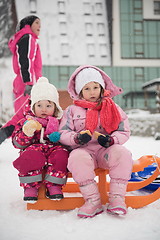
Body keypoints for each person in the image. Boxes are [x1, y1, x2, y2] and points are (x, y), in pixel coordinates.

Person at [59, 65, 133, 218]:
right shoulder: (71, 111)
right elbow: (63, 132)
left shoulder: (113, 107)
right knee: (76, 158)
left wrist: (112, 140)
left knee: (122, 154)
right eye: (86, 88)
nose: (92, 92)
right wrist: (76, 138)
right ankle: (93, 200)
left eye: (95, 87)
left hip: (106, 150)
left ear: (101, 87)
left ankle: (117, 198)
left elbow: (124, 130)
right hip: (84, 150)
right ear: (80, 91)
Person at [12, 77, 69, 201]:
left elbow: (67, 135)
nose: (44, 109)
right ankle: (30, 187)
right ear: (33, 106)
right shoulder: (26, 121)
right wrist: (27, 133)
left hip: (54, 148)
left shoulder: (59, 122)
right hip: (34, 149)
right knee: (31, 155)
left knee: (61, 155)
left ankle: (54, 185)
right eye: (39, 105)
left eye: (48, 105)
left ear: (55, 107)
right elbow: (17, 143)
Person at [0, 15, 42, 144]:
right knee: (23, 118)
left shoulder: (27, 38)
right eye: (37, 23)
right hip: (27, 83)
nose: (40, 26)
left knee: (24, 117)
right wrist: (29, 83)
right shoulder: (28, 38)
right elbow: (26, 60)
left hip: (25, 83)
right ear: (28, 25)